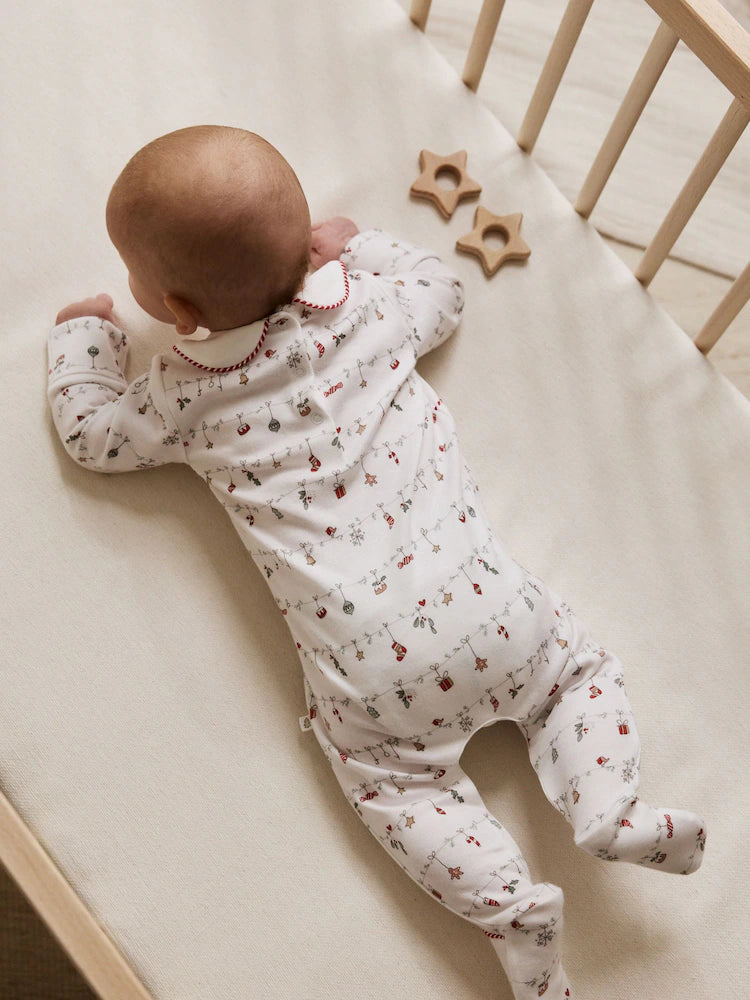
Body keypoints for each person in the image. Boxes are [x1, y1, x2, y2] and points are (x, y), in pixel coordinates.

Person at [48, 124, 706, 1000]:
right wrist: (360, 248)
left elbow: (93, 436)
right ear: (307, 247)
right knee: (571, 679)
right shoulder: (368, 311)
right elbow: (443, 291)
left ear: (177, 310)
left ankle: (511, 911)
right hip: (493, 613)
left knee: (397, 788)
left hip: (374, 674)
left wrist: (86, 345)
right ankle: (610, 807)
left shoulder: (184, 395)